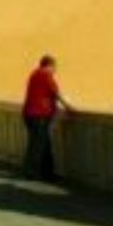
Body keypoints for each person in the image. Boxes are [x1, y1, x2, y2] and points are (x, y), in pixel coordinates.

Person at [22, 53, 72, 181]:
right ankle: (33, 172)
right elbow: (56, 93)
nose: (55, 71)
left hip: (30, 113)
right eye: (55, 68)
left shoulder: (35, 74)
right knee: (39, 144)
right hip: (39, 114)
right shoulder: (45, 75)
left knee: (41, 143)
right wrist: (68, 107)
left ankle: (46, 172)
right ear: (50, 65)